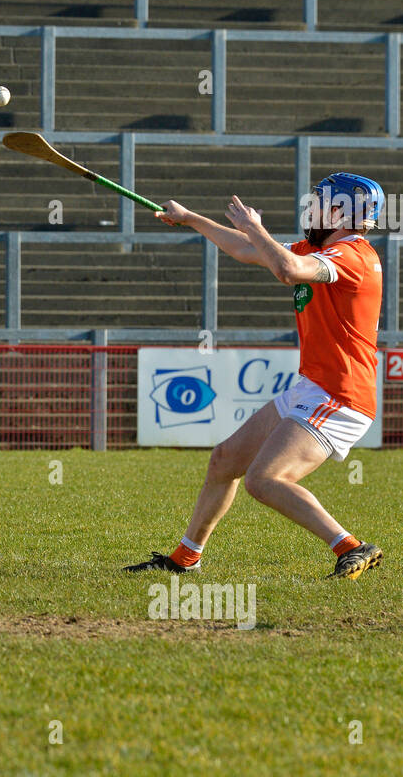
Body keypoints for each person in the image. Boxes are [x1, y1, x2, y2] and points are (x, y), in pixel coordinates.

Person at [125, 173, 386, 580]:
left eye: (318, 202)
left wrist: (255, 226)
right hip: (315, 388)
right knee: (224, 460)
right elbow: (249, 250)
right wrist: (191, 218)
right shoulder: (319, 250)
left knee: (265, 480)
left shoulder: (351, 255)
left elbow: (287, 270)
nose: (310, 209)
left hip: (341, 396)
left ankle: (352, 547)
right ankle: (184, 559)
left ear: (341, 211)